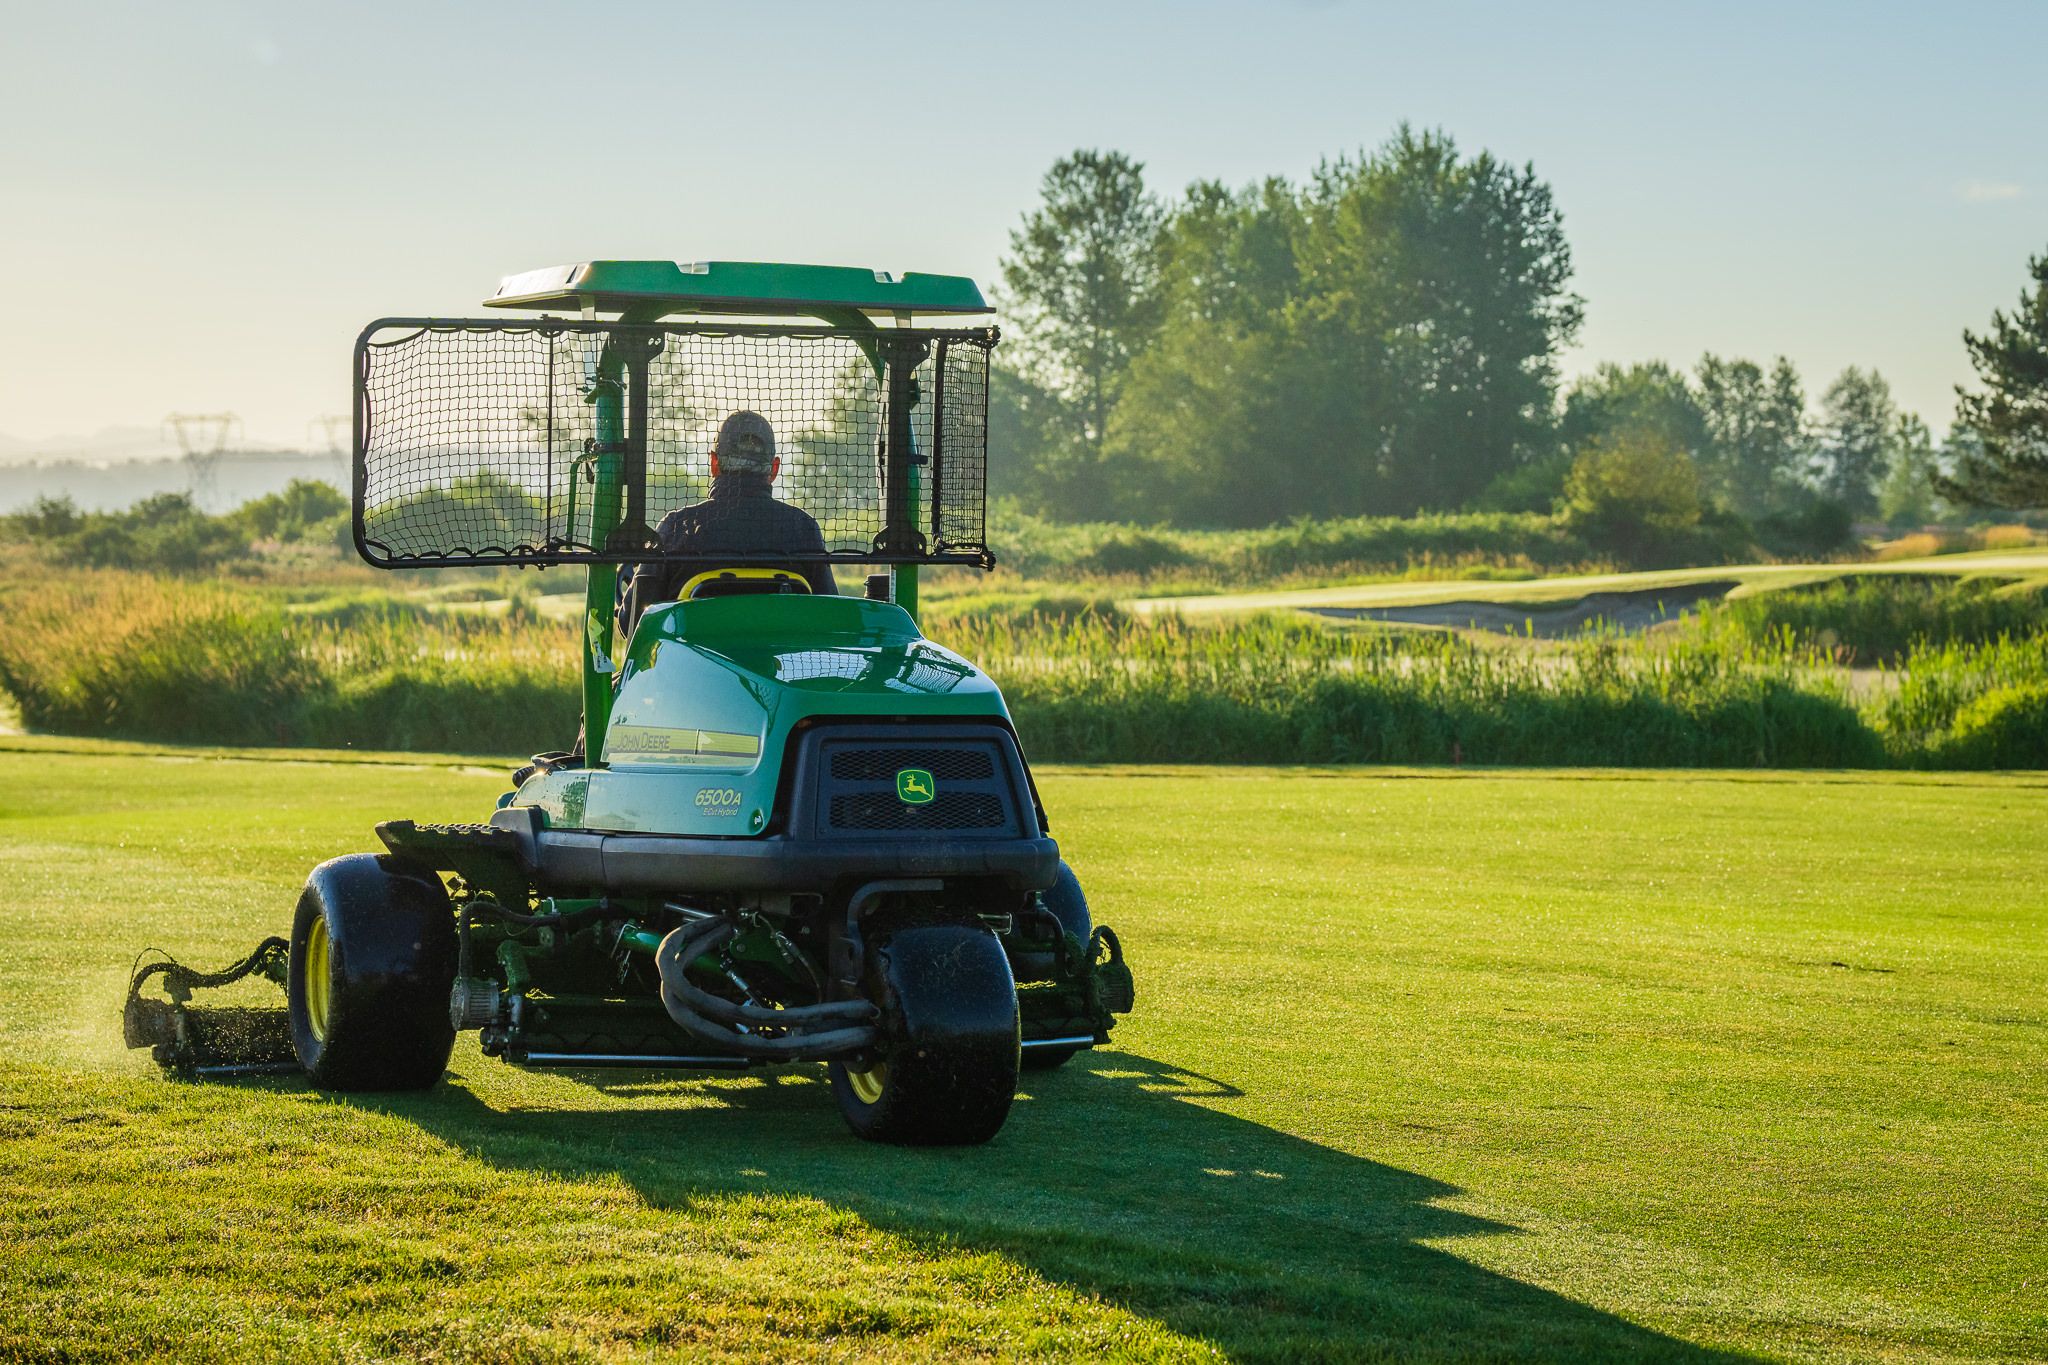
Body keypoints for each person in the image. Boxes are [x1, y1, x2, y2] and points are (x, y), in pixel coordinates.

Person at [615, 410, 838, 640]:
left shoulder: (677, 529)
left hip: (690, 673)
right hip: (780, 671)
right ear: (774, 469)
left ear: (714, 463)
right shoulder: (804, 531)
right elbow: (831, 621)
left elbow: (631, 625)